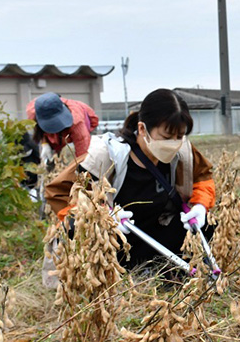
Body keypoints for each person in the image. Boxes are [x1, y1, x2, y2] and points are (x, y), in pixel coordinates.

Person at [45, 88, 215, 269]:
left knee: (207, 225)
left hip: (153, 235)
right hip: (114, 241)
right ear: (142, 128)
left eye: (179, 136)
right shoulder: (105, 155)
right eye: (166, 136)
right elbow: (60, 193)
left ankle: (162, 271)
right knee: (75, 230)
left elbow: (202, 179)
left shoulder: (182, 153)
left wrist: (200, 205)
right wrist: (101, 217)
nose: (173, 143)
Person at [26, 92, 99, 161]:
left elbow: (83, 153)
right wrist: (45, 144)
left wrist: (79, 168)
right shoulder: (33, 112)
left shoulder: (77, 122)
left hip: (84, 125)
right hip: (61, 134)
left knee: (77, 158)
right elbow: (40, 131)